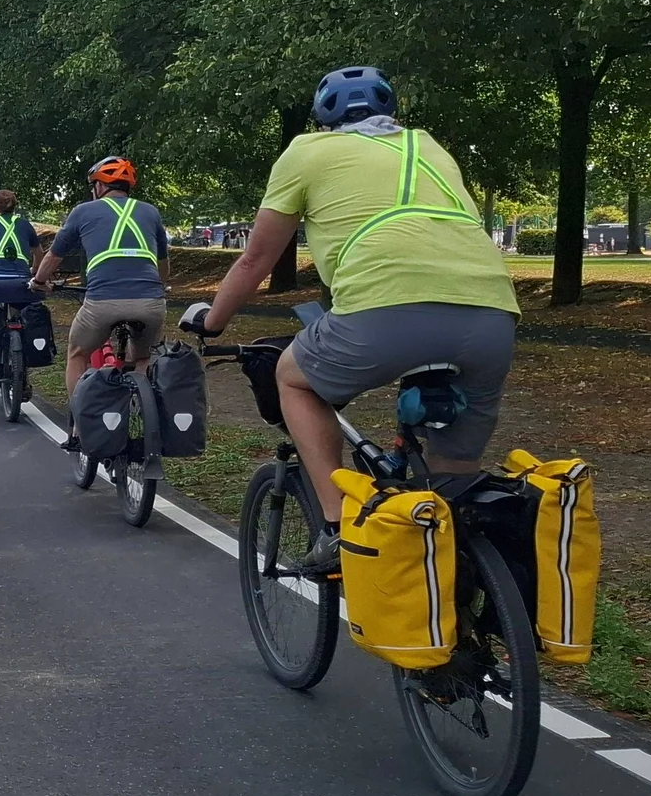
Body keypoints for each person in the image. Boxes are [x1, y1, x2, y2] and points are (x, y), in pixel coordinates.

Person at [182, 66, 519, 572]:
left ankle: (338, 527)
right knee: (453, 481)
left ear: (322, 118)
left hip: (384, 307)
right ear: (391, 111)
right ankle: (465, 594)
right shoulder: (429, 147)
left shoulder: (305, 151)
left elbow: (256, 258)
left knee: (295, 380)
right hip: (492, 312)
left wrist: (213, 322)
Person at [33, 157, 170, 446]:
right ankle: (140, 408)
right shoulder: (150, 211)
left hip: (102, 303)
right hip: (151, 302)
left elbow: (54, 257)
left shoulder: (83, 212)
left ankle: (81, 428)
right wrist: (160, 287)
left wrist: (38, 281)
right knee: (143, 356)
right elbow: (162, 263)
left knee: (77, 354)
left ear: (99, 186)